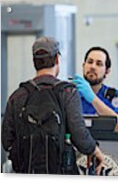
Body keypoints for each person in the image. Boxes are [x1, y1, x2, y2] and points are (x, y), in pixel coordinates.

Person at [1, 36, 104, 174]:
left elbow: (7, 141)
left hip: (26, 173)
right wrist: (94, 149)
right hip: (60, 173)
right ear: (57, 59)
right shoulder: (67, 92)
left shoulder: (18, 96)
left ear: (34, 62)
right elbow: (79, 135)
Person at [72, 47, 118, 132]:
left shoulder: (114, 96)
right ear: (83, 66)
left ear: (107, 71)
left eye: (99, 64)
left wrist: (92, 98)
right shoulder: (71, 95)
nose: (93, 67)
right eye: (90, 62)